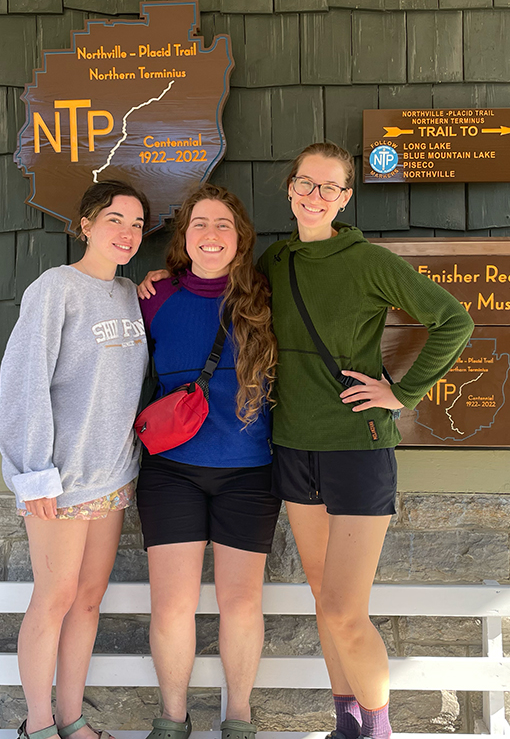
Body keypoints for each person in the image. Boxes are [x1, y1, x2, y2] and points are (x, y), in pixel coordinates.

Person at [140, 143, 475, 739]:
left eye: (328, 187)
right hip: (291, 449)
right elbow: (215, 280)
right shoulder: (275, 261)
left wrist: (402, 391)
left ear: (346, 197)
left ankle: (377, 729)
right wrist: (168, 276)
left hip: (355, 447)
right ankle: (347, 722)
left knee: (346, 610)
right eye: (305, 184)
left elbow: (455, 320)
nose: (314, 196)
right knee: (326, 599)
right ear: (290, 189)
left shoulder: (367, 261)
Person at [0, 181, 150, 739]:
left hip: (113, 475)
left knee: (87, 601)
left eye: (137, 225)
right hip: (58, 480)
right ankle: (38, 726)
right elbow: (23, 381)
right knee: (55, 598)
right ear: (85, 224)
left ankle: (72, 721)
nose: (127, 233)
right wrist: (32, 471)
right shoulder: (55, 288)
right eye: (115, 220)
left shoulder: (132, 294)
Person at [135, 183, 280, 739]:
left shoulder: (266, 298)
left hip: (250, 471)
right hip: (172, 471)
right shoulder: (154, 296)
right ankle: (172, 721)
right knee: (172, 607)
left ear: (240, 237)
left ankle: (237, 720)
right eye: (200, 224)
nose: (211, 234)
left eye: (223, 224)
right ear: (184, 236)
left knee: (241, 605)